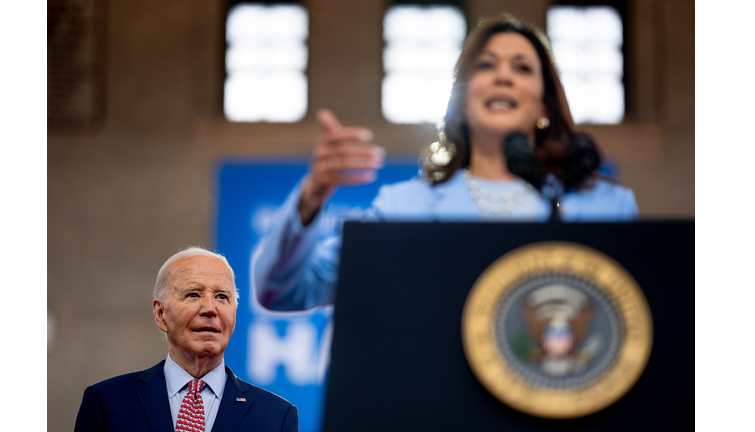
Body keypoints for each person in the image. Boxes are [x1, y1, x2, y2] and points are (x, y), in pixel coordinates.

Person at [251, 14, 638, 312]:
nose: (503, 76)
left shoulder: (605, 207)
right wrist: (313, 194)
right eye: (486, 66)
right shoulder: (403, 209)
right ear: (462, 101)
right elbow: (282, 291)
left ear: (544, 105)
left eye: (521, 68)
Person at [74, 247, 298, 432]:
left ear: (235, 314)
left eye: (222, 297)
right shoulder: (106, 403)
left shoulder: (277, 417)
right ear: (161, 314)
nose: (210, 309)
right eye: (193, 294)